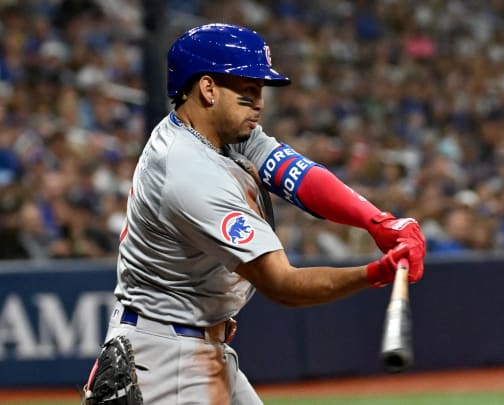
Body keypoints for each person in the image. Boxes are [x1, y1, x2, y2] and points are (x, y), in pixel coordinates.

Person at [82, 23, 426, 405]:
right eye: (248, 91)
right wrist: (374, 273)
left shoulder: (220, 135)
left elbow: (295, 174)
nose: (259, 102)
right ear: (208, 89)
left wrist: (376, 221)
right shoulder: (187, 169)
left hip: (193, 344)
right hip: (167, 360)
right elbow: (282, 285)